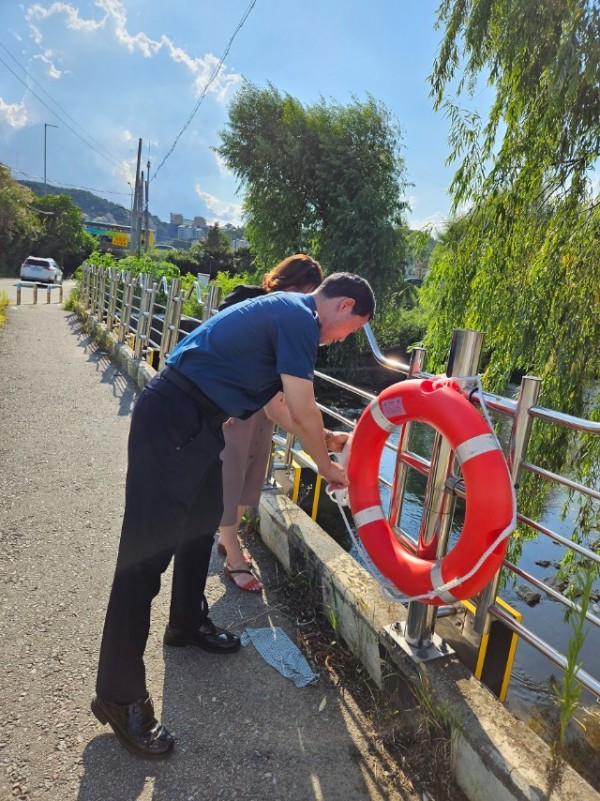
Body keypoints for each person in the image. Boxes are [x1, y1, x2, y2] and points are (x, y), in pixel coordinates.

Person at [91, 271, 376, 758]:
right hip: (174, 417)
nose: (337, 340)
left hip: (199, 421)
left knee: (203, 522)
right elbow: (304, 405)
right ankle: (118, 697)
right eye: (347, 330)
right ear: (344, 305)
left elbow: (279, 404)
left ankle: (184, 622)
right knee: (142, 561)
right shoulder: (299, 317)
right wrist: (329, 467)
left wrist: (323, 440)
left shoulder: (285, 313)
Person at [216, 254, 324, 592]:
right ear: (286, 282)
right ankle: (232, 553)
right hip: (233, 405)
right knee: (230, 476)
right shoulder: (247, 299)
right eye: (302, 290)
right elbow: (219, 347)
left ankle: (227, 538)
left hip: (264, 405)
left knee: (252, 474)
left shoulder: (296, 317)